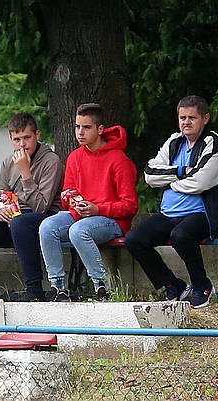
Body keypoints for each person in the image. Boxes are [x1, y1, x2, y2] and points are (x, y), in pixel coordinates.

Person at [124, 95, 218, 309]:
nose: (186, 122)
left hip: (202, 214)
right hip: (169, 213)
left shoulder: (214, 142)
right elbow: (150, 175)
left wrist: (169, 183)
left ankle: (202, 286)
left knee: (180, 236)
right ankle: (173, 284)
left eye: (192, 117)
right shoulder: (174, 142)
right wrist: (181, 171)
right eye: (182, 118)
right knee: (134, 239)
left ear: (205, 119)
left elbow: (201, 182)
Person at [39, 103, 138, 301]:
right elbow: (67, 195)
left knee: (79, 231)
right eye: (77, 127)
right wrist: (73, 201)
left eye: (86, 127)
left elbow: (130, 205)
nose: (80, 132)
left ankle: (102, 287)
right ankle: (58, 287)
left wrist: (98, 209)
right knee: (47, 227)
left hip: (112, 220)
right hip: (81, 215)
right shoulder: (75, 157)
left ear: (100, 129)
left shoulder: (118, 159)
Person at [0, 112, 63, 301]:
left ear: (37, 135)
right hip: (15, 217)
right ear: (11, 139)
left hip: (43, 218)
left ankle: (34, 289)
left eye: (27, 138)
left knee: (21, 223)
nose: (22, 144)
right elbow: (3, 194)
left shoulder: (51, 161)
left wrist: (26, 173)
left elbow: (41, 206)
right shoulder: (8, 162)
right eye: (17, 139)